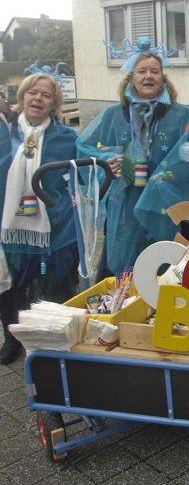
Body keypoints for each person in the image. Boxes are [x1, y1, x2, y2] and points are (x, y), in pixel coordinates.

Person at [77, 38, 189, 276]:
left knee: (165, 262)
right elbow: (84, 149)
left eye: (154, 71)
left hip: (167, 202)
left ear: (163, 78)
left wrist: (172, 170)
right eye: (141, 71)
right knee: (124, 265)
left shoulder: (182, 115)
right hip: (125, 203)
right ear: (131, 78)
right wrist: (107, 160)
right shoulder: (113, 114)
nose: (148, 76)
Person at [0, 73, 79, 364]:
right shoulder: (5, 132)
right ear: (22, 97)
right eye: (33, 92)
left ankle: (52, 342)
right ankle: (13, 337)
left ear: (54, 103)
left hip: (53, 227)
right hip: (8, 227)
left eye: (46, 95)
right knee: (9, 285)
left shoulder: (66, 137)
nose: (38, 99)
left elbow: (84, 168)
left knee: (54, 285)